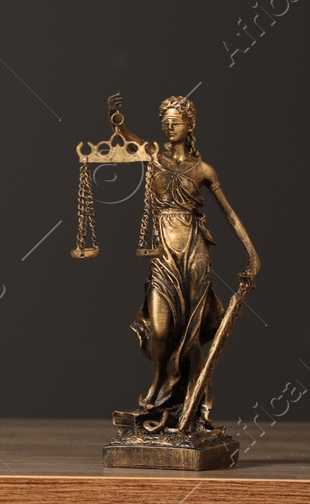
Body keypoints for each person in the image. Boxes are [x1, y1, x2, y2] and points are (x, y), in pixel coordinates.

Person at [107, 92, 260, 431]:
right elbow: (130, 140)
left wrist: (252, 253)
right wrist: (119, 123)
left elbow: (230, 214)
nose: (169, 126)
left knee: (189, 334)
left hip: (195, 252)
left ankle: (192, 408)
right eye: (165, 122)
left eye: (176, 121)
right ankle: (160, 387)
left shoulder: (204, 170)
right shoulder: (154, 157)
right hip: (162, 253)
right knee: (161, 329)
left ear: (190, 124)